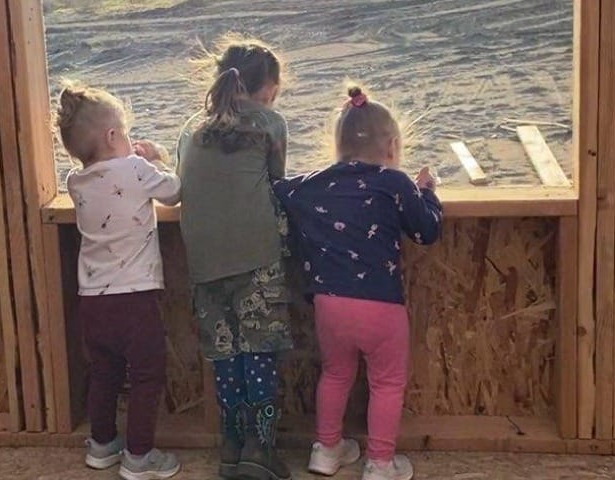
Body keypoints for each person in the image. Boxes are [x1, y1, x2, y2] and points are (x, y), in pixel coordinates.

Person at [272, 85, 442, 480]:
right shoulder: (395, 183)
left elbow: (277, 190)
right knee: (387, 383)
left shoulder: (311, 184)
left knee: (335, 374)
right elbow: (426, 231)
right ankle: (381, 464)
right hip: (381, 305)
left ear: (337, 144)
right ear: (393, 145)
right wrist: (427, 193)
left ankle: (326, 450)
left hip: (330, 305)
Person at [175, 36, 293, 480]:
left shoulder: (191, 127)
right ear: (268, 88)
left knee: (225, 354)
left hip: (204, 261)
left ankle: (230, 445)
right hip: (255, 255)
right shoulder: (269, 123)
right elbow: (277, 183)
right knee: (258, 349)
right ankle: (260, 450)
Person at [58, 84, 182, 480]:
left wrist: (132, 159)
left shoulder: (76, 182)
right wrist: (157, 159)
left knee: (105, 373)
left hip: (93, 300)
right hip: (135, 299)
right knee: (146, 374)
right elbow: (174, 193)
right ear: (113, 136)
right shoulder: (135, 170)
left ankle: (101, 445)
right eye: (126, 133)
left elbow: (107, 180)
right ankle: (139, 457)